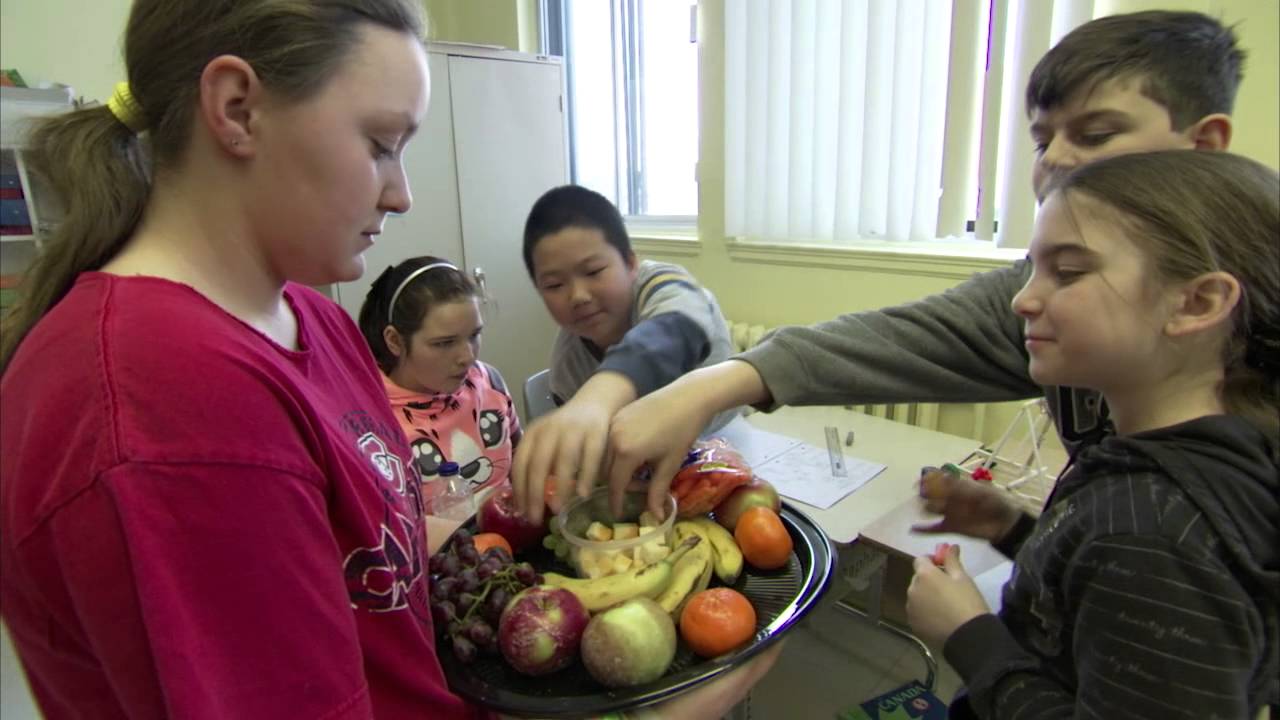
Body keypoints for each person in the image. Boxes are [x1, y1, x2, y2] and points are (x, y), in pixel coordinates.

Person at [0, 1, 775, 717]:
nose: (400, 194)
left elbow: (378, 571)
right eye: (378, 146)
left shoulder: (317, 322)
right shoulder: (166, 413)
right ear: (237, 109)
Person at [550, 9, 1248, 521]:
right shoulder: (1054, 305)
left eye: (1095, 134)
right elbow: (907, 336)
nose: (1056, 162)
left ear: (1204, 145)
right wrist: (1019, 534)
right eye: (1042, 141)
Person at [905, 150, 1278, 718]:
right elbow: (1107, 610)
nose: (1021, 299)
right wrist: (1012, 527)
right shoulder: (1190, 470)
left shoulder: (1153, 531)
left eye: (1070, 272)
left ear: (1197, 303)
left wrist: (969, 635)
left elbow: (1142, 565)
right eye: (1032, 268)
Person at [513, 184, 738, 521]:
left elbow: (680, 325)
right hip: (653, 478)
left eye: (593, 272)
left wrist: (601, 394)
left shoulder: (660, 284)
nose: (578, 295)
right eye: (555, 285)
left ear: (630, 263)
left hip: (723, 442)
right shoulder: (567, 365)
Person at [358, 256, 522, 518]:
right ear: (394, 341)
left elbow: (518, 453)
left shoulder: (488, 380)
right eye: (444, 343)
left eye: (474, 335)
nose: (467, 357)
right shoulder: (372, 423)